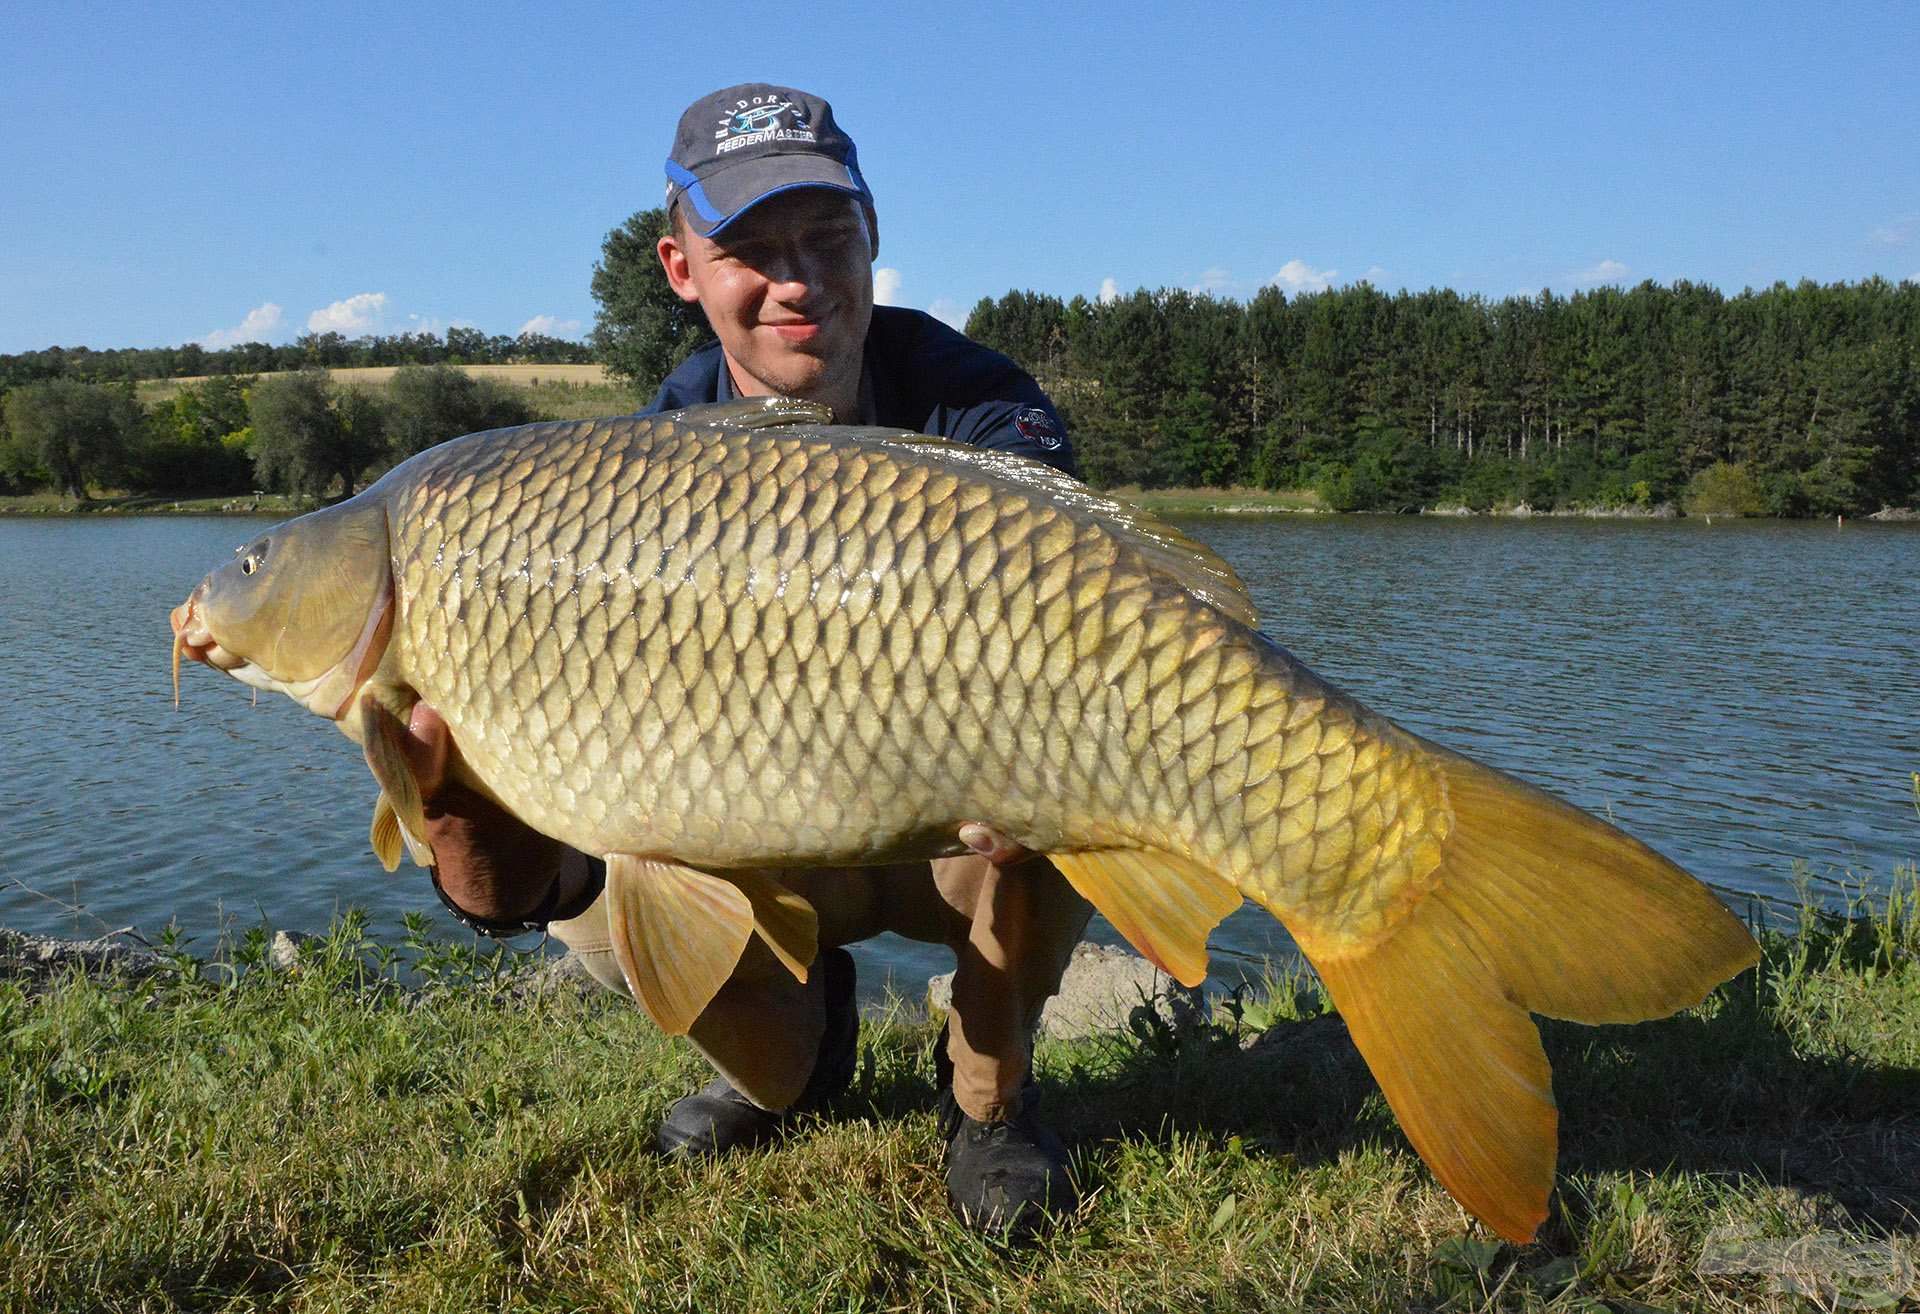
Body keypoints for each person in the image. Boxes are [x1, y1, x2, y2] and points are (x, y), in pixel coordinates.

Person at [401, 85, 1094, 1235]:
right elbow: (541, 840)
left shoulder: (982, 411)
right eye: (753, 250)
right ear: (681, 269)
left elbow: (1078, 609)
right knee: (607, 874)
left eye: (829, 238)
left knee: (1075, 800)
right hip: (762, 816)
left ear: (873, 238)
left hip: (952, 827)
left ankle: (990, 1102)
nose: (799, 280)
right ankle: (793, 1060)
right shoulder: (645, 464)